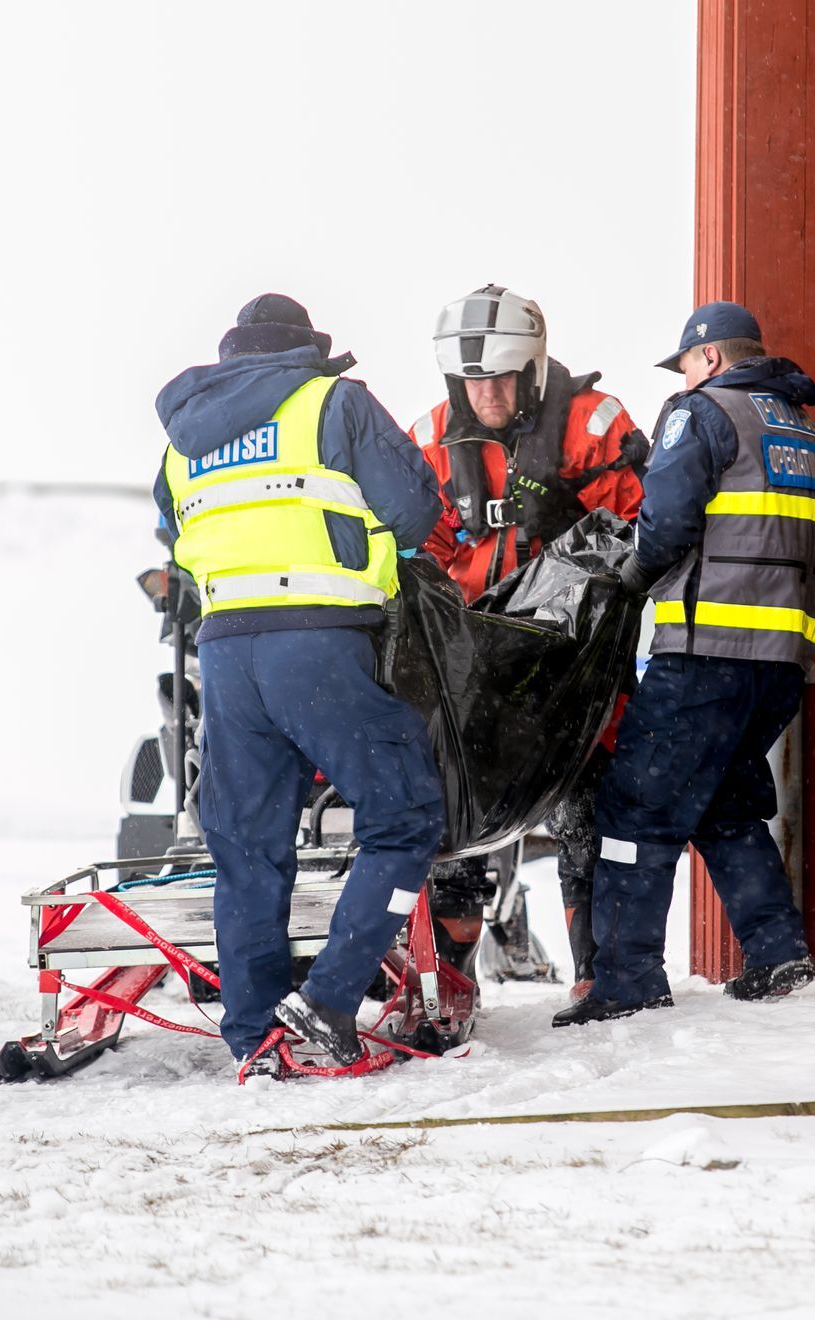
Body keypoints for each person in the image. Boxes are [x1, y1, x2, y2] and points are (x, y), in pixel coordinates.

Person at [153, 294, 446, 1077]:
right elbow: (417, 510)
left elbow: (172, 532)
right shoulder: (332, 401)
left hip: (224, 653)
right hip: (317, 643)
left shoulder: (183, 434)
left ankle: (254, 1037)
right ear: (304, 351)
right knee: (406, 817)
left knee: (246, 851)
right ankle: (328, 1000)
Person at [553, 300, 815, 1028]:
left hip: (705, 649)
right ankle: (778, 953)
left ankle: (626, 977)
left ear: (709, 358)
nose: (683, 374)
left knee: (633, 806)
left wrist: (627, 581)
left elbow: (667, 520)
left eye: (686, 362)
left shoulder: (702, 412)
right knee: (724, 801)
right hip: (781, 663)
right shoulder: (802, 431)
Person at [409, 285, 650, 997]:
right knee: (456, 808)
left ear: (533, 370)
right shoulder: (429, 437)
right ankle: (451, 978)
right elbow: (417, 542)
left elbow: (641, 525)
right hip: (476, 656)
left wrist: (571, 515)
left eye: (501, 380)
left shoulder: (593, 422)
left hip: (573, 655)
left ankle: (596, 971)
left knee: (588, 802)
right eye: (473, 382)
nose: (486, 396)